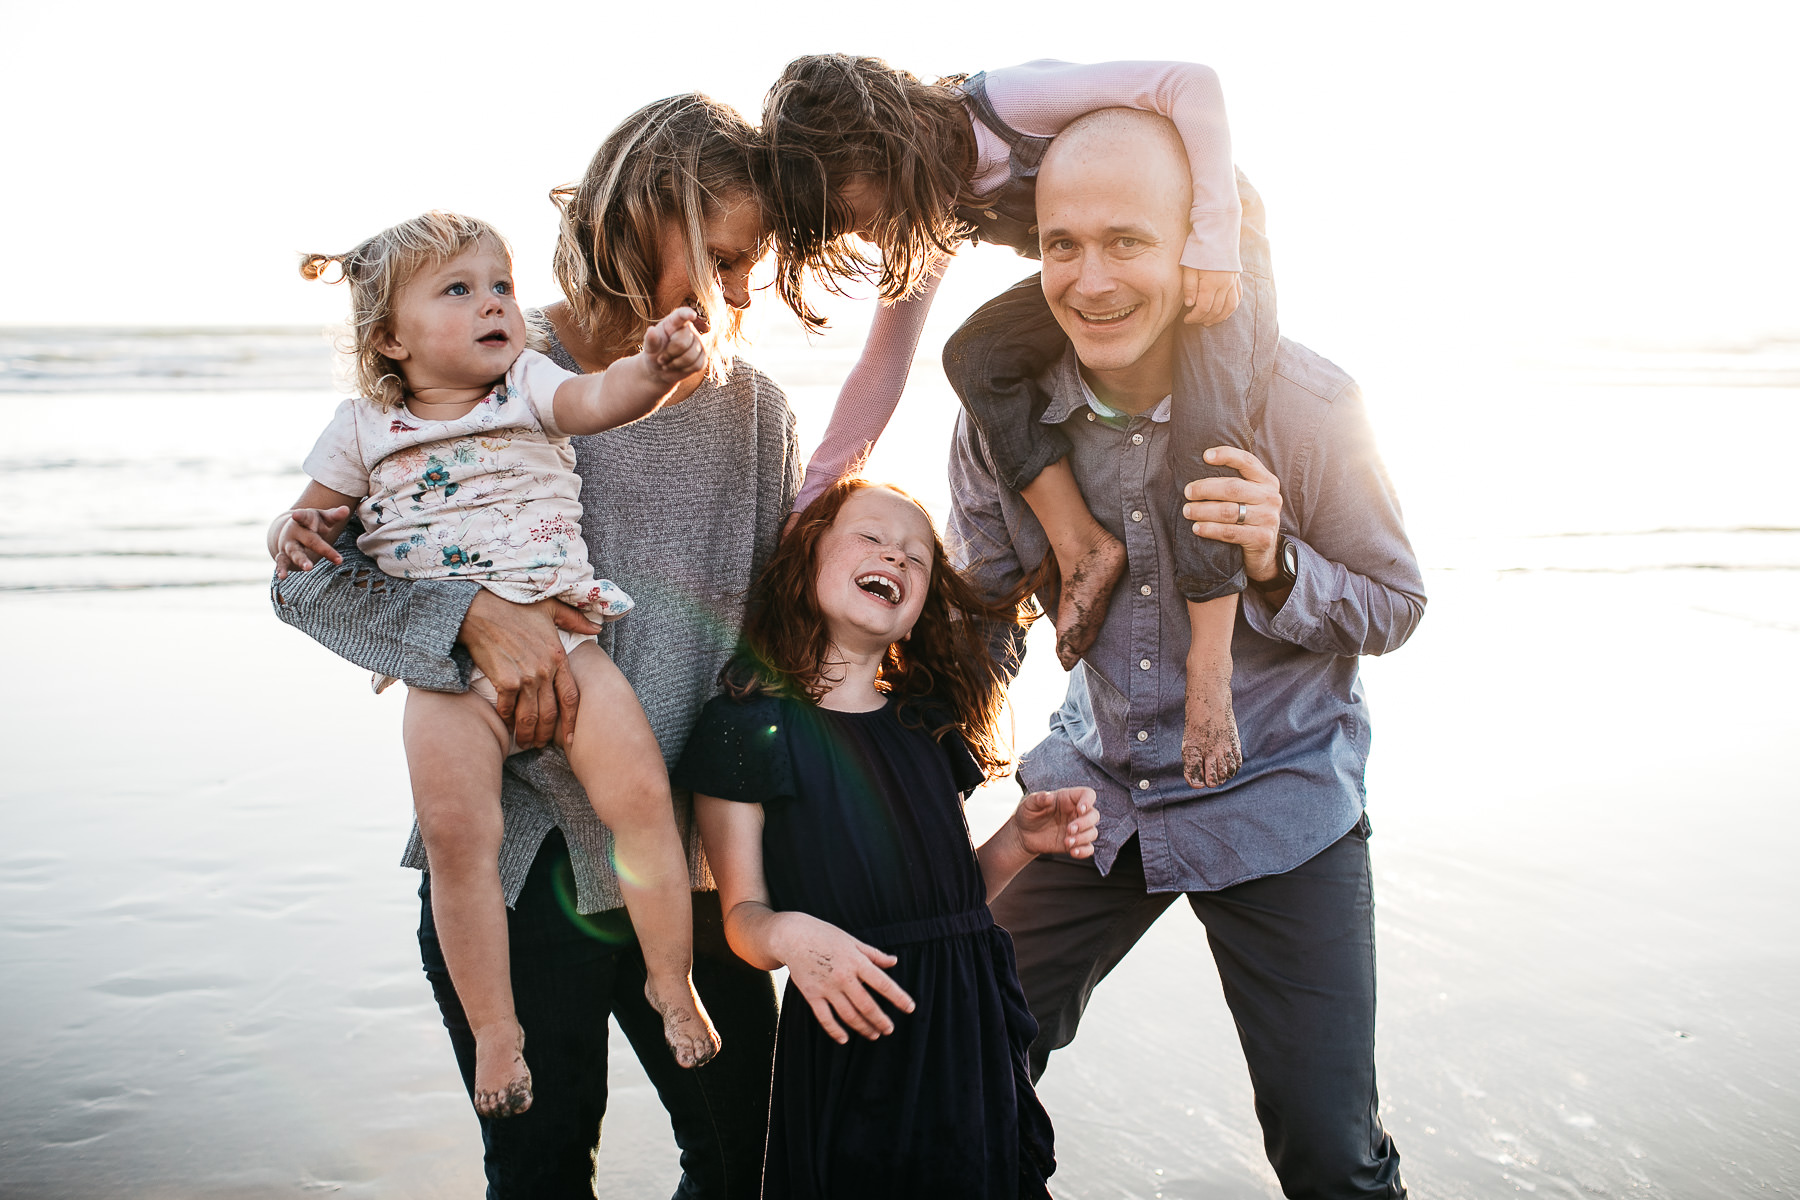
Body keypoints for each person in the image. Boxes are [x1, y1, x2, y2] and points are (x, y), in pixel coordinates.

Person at [270, 94, 795, 1198]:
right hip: (512, 867)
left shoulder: (756, 409)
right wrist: (465, 621)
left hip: (680, 868)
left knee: (743, 1161)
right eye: (730, 259)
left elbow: (761, 633)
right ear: (649, 219)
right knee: (541, 1170)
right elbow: (308, 585)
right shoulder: (471, 360)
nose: (744, 295)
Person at [947, 108, 1426, 1197]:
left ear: (1194, 252)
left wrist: (1274, 565)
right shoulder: (999, 419)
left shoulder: (1309, 404)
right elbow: (982, 616)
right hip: (1097, 788)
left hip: (1282, 794)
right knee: (958, 1057)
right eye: (1063, 245)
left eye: (1127, 242)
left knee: (1327, 1149)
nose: (1091, 280)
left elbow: (1396, 605)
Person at [761, 54, 1277, 790]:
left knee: (1208, 425)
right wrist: (808, 506)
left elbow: (1190, 82)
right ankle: (1083, 547)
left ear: (881, 150)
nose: (864, 235)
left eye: (853, 212)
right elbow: (884, 368)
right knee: (973, 357)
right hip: (1108, 276)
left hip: (1215, 246)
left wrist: (1215, 237)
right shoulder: (932, 212)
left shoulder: (1005, 105)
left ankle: (1208, 665)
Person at [677, 479, 1099, 1199]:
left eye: (917, 558)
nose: (896, 558)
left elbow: (952, 896)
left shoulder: (925, 722)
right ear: (807, 558)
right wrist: (792, 938)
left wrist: (1021, 843)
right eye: (871, 538)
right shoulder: (744, 726)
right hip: (861, 1024)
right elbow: (742, 919)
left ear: (917, 612)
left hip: (970, 1024)